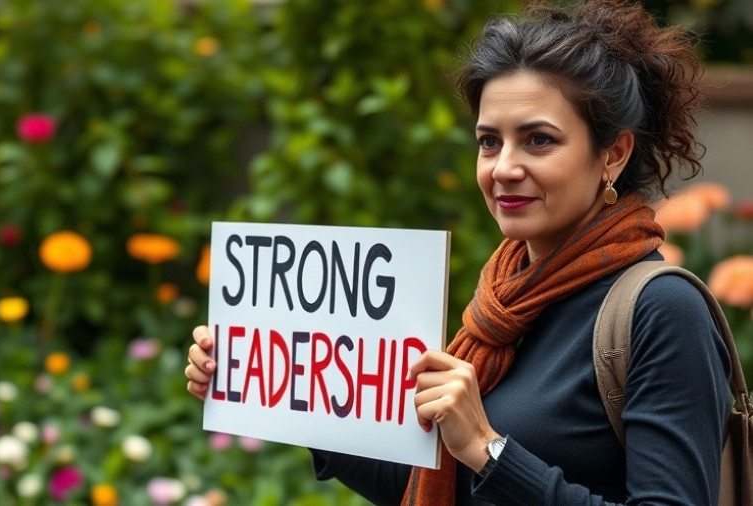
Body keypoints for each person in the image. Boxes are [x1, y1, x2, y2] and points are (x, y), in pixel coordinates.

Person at [185, 0, 733, 504]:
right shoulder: (504, 299)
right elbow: (437, 485)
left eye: (539, 140)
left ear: (612, 153)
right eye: (489, 141)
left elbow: (487, 465)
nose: (503, 168)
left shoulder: (661, 311)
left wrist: (487, 447)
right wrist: (283, 390)